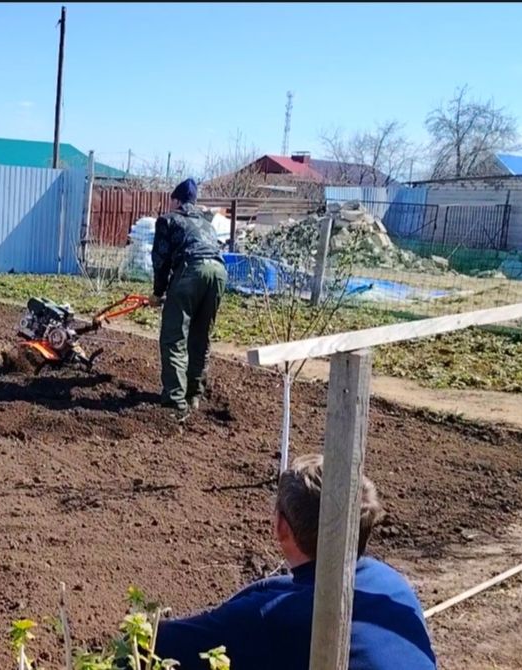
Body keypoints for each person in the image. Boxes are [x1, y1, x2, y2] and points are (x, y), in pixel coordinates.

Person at [155, 454, 436, 670]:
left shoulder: (268, 618)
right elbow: (284, 588)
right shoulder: (391, 583)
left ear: (282, 526)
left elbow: (154, 646)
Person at [149, 178, 227, 422]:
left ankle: (175, 401)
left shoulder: (168, 220)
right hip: (218, 273)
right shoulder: (207, 225)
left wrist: (158, 292)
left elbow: (160, 259)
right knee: (201, 336)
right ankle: (194, 395)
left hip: (191, 271)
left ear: (176, 200)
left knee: (174, 337)